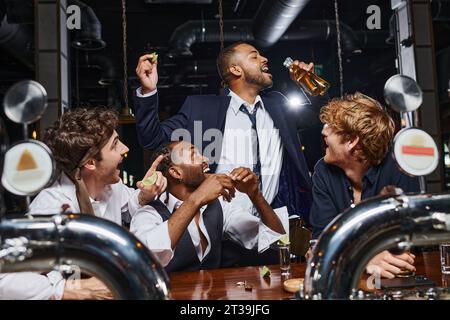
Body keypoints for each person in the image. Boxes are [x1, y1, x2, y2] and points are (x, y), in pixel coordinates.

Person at [133, 42, 327, 265]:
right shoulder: (201, 108)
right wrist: (148, 91)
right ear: (235, 69)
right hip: (222, 231)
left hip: (272, 227)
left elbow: (317, 116)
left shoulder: (279, 106)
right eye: (254, 56)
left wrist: (309, 86)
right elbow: (153, 140)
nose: (264, 59)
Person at [0, 107, 166, 300]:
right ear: (90, 164)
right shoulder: (51, 206)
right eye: (114, 145)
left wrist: (143, 196)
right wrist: (64, 290)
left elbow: (128, 202)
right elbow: (4, 278)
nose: (125, 149)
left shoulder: (111, 187)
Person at [130, 141, 288, 272]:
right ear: (176, 172)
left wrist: (255, 195)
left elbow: (275, 239)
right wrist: (196, 199)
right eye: (194, 155)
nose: (205, 158)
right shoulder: (148, 213)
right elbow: (145, 261)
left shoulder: (220, 206)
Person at [309, 92, 420, 279]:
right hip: (343, 279)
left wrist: (346, 251)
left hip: (395, 279)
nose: (323, 131)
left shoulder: (398, 169)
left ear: (352, 141)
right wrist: (365, 257)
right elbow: (322, 239)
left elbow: (407, 239)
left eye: (332, 128)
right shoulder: (323, 171)